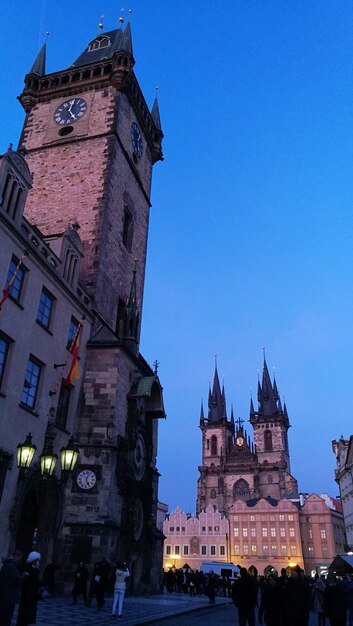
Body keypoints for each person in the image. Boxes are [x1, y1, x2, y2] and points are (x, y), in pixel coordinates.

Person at [0, 550, 27, 626]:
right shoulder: (12, 567)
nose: (20, 560)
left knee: (3, 617)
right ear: (17, 557)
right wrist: (24, 575)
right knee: (6, 618)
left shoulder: (5, 565)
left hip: (4, 595)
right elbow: (17, 579)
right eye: (20, 558)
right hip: (9, 597)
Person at [16, 551, 41, 626]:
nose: (38, 562)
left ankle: (25, 623)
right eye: (36, 560)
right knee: (24, 611)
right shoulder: (28, 567)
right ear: (33, 560)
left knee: (29, 612)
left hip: (33, 594)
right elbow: (29, 578)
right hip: (27, 593)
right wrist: (36, 570)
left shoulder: (35, 569)